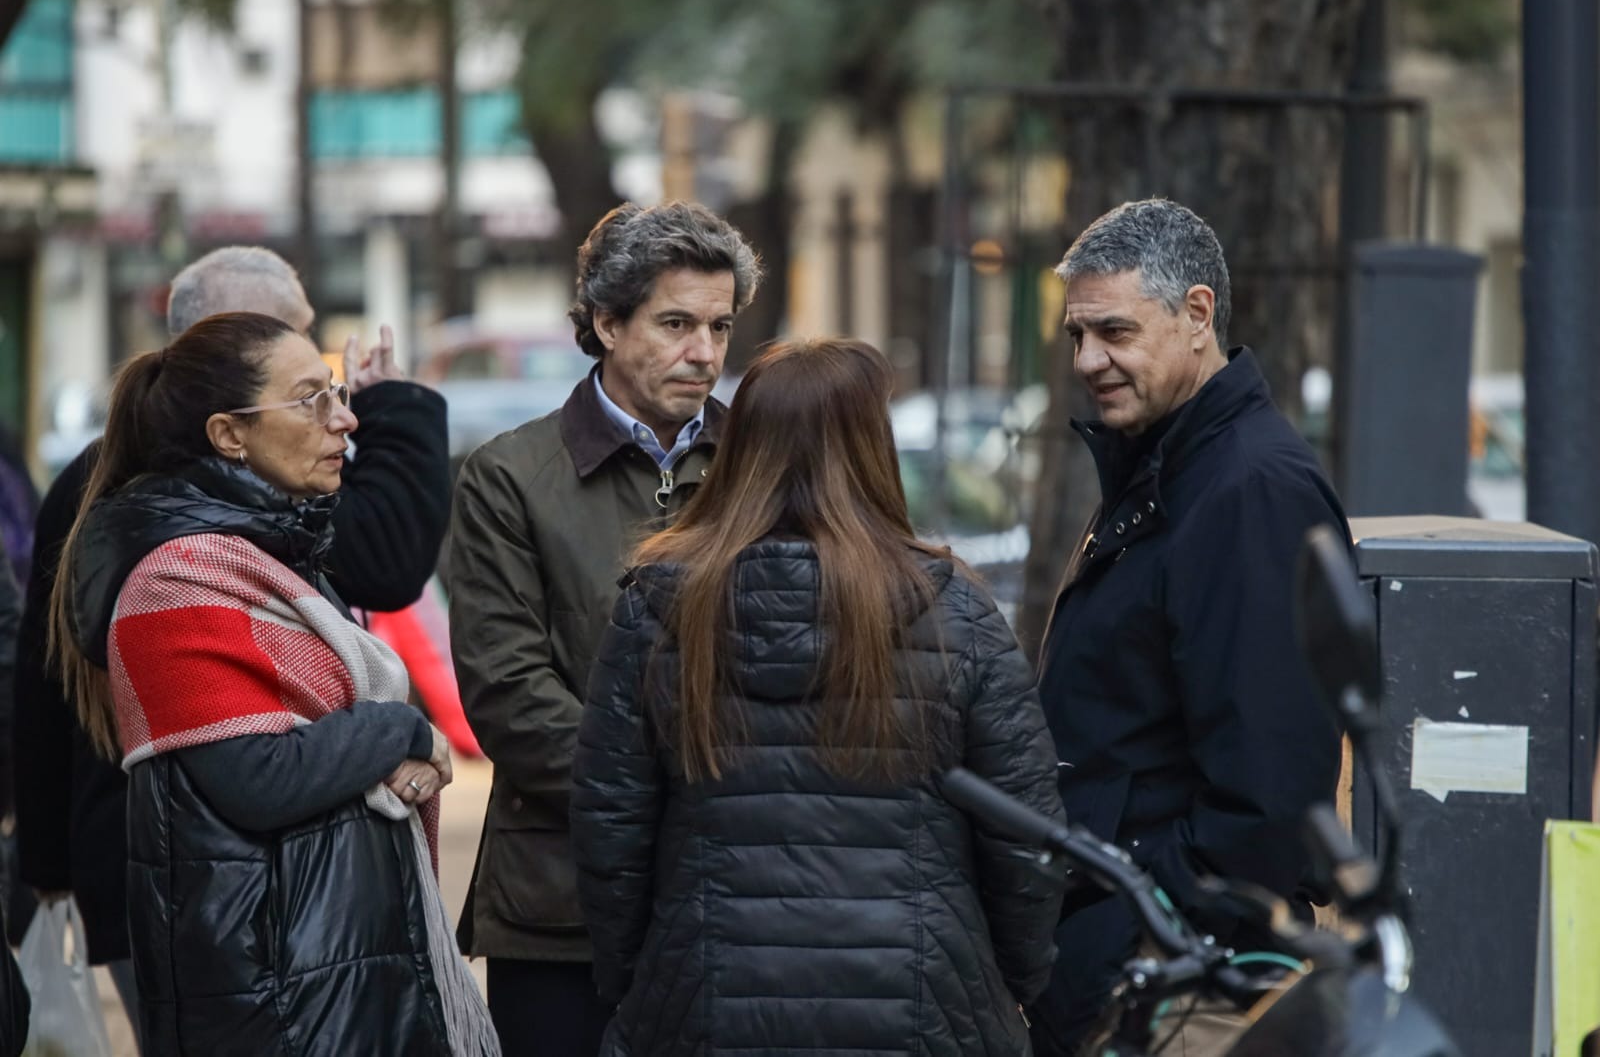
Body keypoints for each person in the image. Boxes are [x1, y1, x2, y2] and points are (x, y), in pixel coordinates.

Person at [570, 337, 1066, 1055]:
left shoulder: (657, 612)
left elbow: (610, 833)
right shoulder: (955, 614)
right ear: (872, 451)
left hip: (706, 1003)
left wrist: (641, 983)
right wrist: (1008, 983)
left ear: (741, 449)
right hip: (924, 1007)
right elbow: (1025, 835)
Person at [12, 245, 450, 1046]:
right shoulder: (176, 572)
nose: (343, 418)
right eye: (311, 394)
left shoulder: (280, 528)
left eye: (335, 389)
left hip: (316, 921)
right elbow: (261, 775)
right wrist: (404, 730)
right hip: (250, 942)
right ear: (228, 430)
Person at [1029, 198, 1351, 1057]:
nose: (1088, 359)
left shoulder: (1249, 490)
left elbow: (1268, 797)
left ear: (1197, 314)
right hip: (1146, 964)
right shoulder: (1175, 467)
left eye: (1115, 332)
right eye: (1077, 335)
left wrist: (1130, 919)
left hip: (1184, 981)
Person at [449, 202, 761, 1055]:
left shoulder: (761, 462)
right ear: (607, 322)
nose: (705, 353)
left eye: (720, 326)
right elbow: (509, 693)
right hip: (564, 904)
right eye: (676, 323)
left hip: (733, 897)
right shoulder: (511, 476)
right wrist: (668, 799)